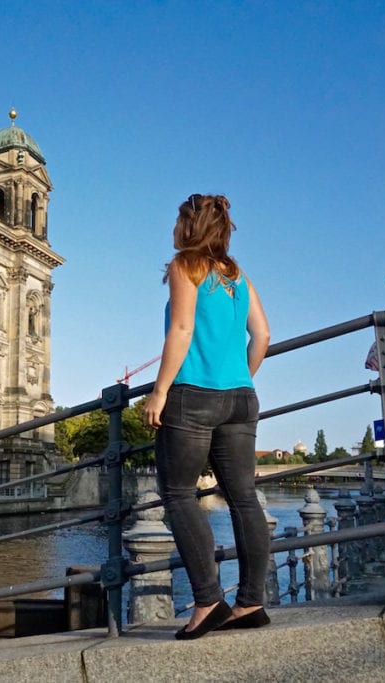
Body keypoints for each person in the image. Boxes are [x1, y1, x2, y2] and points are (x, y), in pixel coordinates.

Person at [143, 193, 272, 640]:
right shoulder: (239, 276)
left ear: (188, 227)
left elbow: (181, 330)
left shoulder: (186, 267)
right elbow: (264, 335)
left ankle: (208, 601)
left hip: (192, 396)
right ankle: (252, 602)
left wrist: (159, 392)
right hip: (240, 398)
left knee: (178, 494)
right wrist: (240, 377)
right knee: (243, 498)